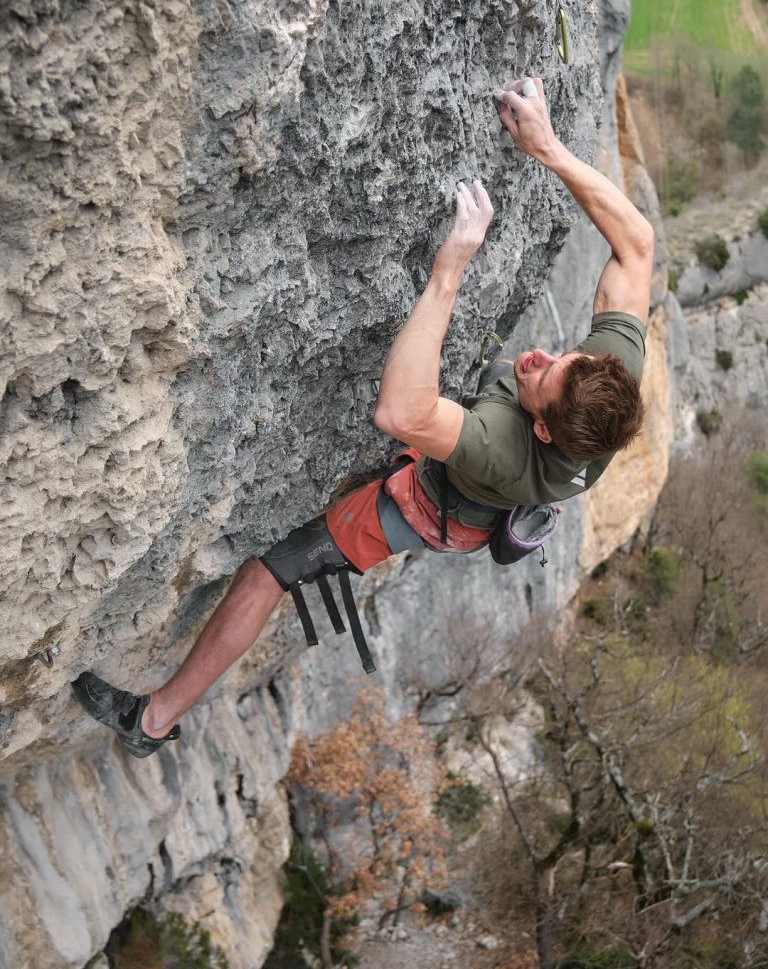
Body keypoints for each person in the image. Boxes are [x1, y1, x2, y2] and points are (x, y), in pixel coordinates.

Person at [72, 77, 653, 757]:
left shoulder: (506, 450)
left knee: (271, 571)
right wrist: (545, 146)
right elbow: (636, 243)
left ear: (545, 431)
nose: (535, 357)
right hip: (487, 451)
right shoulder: (608, 380)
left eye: (540, 378)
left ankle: (151, 722)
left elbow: (400, 411)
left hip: (439, 504)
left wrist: (450, 270)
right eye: (557, 357)